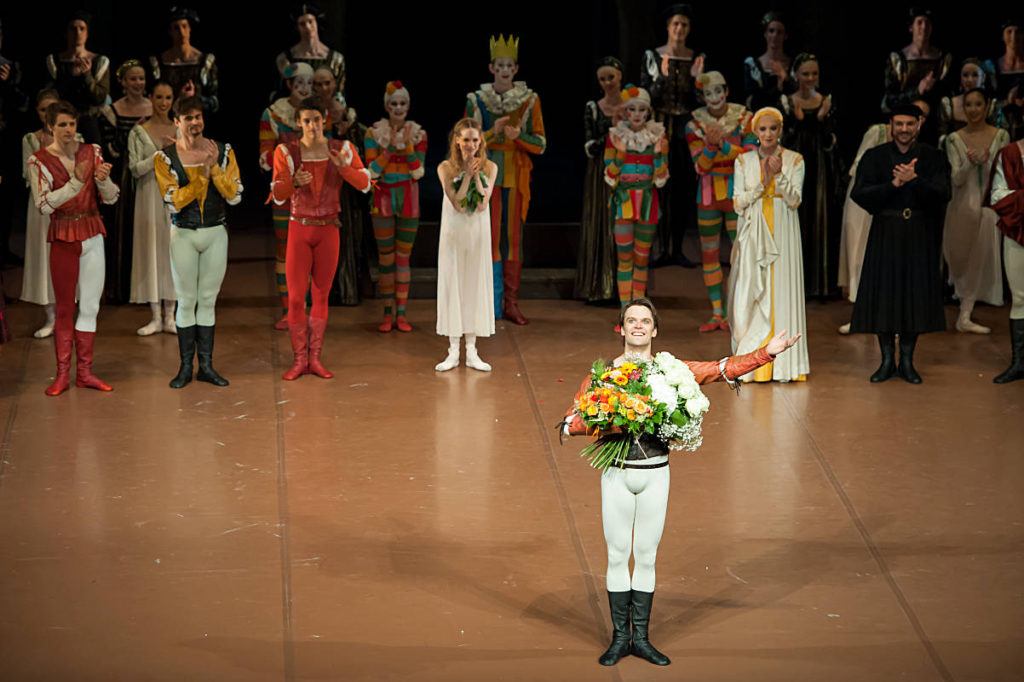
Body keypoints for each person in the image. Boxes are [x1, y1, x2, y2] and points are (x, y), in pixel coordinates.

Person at [561, 297, 800, 667]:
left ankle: (640, 638)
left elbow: (721, 370)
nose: (637, 326)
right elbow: (569, 424)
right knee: (617, 554)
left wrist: (766, 354)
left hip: (656, 475)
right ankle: (619, 638)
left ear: (655, 330)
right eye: (631, 321)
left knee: (646, 556)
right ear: (621, 329)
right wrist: (615, 418)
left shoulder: (671, 370)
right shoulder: (603, 376)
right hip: (617, 476)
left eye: (644, 321)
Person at [270, 95, 370, 379]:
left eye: (316, 120)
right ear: (298, 123)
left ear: (324, 120)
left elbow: (364, 185)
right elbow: (277, 195)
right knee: (296, 299)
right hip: (299, 229)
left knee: (321, 294)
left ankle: (315, 358)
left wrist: (343, 168)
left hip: (328, 229)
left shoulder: (342, 148)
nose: (312, 125)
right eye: (306, 121)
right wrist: (293, 183)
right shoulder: (286, 152)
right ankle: (299, 359)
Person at [849, 104, 950, 383]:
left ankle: (906, 361)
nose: (904, 129)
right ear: (891, 126)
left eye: (909, 124)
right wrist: (892, 185)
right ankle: (885, 362)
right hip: (886, 231)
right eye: (899, 124)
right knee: (884, 295)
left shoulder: (933, 157)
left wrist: (915, 181)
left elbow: (944, 194)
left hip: (919, 233)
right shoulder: (875, 157)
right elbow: (859, 194)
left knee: (913, 295)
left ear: (919, 124)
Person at [27, 100, 119, 395]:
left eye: (72, 124)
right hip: (64, 235)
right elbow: (43, 205)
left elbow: (112, 196)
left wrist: (102, 182)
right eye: (62, 125)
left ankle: (85, 373)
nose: (68, 130)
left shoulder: (91, 152)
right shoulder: (38, 160)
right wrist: (75, 184)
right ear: (50, 127)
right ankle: (62, 374)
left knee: (90, 305)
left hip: (91, 231)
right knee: (66, 308)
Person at [155, 96, 241, 389]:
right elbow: (174, 202)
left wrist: (213, 168)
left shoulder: (223, 151)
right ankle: (184, 368)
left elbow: (234, 195)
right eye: (188, 118)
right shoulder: (165, 157)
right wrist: (202, 179)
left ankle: (206, 366)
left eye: (198, 116)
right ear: (176, 121)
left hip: (215, 232)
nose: (195, 122)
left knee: (207, 300)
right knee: (187, 299)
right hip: (184, 235)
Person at [465, 34, 546, 325]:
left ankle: (510, 303)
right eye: (499, 65)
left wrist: (518, 137)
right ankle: (489, 303)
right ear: (491, 68)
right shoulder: (476, 100)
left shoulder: (529, 99)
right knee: (487, 238)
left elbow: (540, 144)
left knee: (513, 240)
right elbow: (464, 141)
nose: (503, 70)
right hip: (485, 177)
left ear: (515, 69)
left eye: (508, 65)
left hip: (515, 175)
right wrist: (490, 134)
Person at [729, 107, 810, 382]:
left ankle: (785, 364)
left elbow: (795, 199)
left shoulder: (795, 159)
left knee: (782, 289)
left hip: (783, 230)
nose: (768, 134)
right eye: (762, 129)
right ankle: (753, 365)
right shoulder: (743, 161)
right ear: (755, 132)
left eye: (773, 128)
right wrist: (763, 183)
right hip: (754, 232)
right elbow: (737, 202)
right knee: (753, 292)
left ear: (780, 130)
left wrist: (779, 176)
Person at [684, 71, 756, 331]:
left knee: (739, 254)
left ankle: (736, 312)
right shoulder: (694, 125)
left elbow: (749, 156)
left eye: (718, 91)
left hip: (737, 194)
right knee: (710, 253)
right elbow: (700, 166)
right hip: (708, 195)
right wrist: (712, 148)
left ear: (726, 92)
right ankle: (717, 312)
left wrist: (721, 146)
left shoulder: (745, 119)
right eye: (707, 93)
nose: (713, 98)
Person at [641, 4, 704, 269]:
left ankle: (676, 248)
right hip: (661, 125)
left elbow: (701, 101)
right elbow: (646, 97)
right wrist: (662, 77)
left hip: (686, 127)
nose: (679, 29)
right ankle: (659, 249)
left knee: (682, 188)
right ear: (667, 27)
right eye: (675, 24)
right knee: (660, 188)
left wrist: (697, 81)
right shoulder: (653, 56)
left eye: (684, 25)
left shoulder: (696, 58)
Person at [434, 118, 499, 372]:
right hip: (454, 234)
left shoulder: (491, 167)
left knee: (473, 285)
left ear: (480, 141)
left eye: (475, 140)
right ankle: (453, 350)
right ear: (457, 141)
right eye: (466, 140)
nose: (471, 145)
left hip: (477, 234)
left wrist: (478, 177)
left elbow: (482, 204)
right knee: (454, 286)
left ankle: (472, 350)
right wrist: (466, 177)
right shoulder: (445, 168)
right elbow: (458, 203)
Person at [943, 88, 1008, 333]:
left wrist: (988, 160)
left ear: (987, 105)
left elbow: (1004, 176)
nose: (972, 109)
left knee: (982, 259)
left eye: (977, 104)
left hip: (989, 209)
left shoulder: (1001, 136)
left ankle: (966, 314)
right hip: (962, 208)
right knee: (963, 259)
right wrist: (970, 163)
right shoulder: (954, 139)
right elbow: (956, 180)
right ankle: (964, 314)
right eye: (968, 104)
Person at [780, 53, 844, 299]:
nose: (810, 78)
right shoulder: (786, 102)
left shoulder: (826, 102)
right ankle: (797, 285)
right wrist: (796, 122)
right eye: (805, 73)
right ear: (796, 75)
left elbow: (832, 141)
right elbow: (782, 140)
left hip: (819, 169)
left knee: (820, 220)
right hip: (794, 167)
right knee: (798, 219)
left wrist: (821, 119)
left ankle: (820, 285)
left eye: (814, 74)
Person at [365, 81, 427, 332]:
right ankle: (387, 313)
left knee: (403, 258)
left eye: (402, 103)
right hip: (382, 199)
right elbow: (373, 171)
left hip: (409, 200)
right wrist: (390, 148)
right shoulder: (373, 133)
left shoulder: (419, 134)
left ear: (408, 106)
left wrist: (408, 146)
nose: (398, 108)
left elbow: (418, 171)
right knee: (385, 258)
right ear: (386, 106)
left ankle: (401, 313)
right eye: (393, 104)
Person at [604, 85, 668, 312]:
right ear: (625, 111)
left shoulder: (657, 136)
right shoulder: (615, 137)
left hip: (648, 204)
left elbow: (661, 179)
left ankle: (638, 310)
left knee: (641, 259)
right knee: (625, 259)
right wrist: (621, 155)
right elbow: (610, 176)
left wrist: (659, 154)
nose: (637, 114)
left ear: (648, 111)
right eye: (632, 109)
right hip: (624, 203)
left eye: (642, 109)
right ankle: (625, 312)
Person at [261, 62, 315, 329]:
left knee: (309, 252)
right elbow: (264, 157)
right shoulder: (273, 114)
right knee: (286, 251)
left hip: (314, 193)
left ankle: (304, 308)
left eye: (309, 83)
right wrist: (290, 157)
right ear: (289, 84)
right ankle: (289, 310)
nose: (305, 88)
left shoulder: (318, 113)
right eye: (299, 83)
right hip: (285, 191)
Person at [313, 66, 367, 305]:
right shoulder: (311, 114)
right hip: (317, 184)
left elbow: (358, 150)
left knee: (345, 237)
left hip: (342, 187)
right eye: (319, 84)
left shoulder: (345, 112)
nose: (324, 88)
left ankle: (346, 292)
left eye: (328, 83)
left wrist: (348, 133)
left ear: (335, 84)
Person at [99, 60, 151, 305]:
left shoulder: (156, 107)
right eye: (133, 79)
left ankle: (150, 289)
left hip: (152, 176)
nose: (138, 83)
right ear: (122, 82)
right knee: (123, 230)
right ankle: (123, 290)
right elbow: (109, 149)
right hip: (123, 176)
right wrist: (133, 134)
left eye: (141, 78)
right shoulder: (112, 111)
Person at [21, 89, 72, 339]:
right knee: (45, 259)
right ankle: (50, 317)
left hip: (68, 207)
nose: (48, 115)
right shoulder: (31, 140)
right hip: (43, 209)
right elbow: (30, 177)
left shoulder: (74, 137)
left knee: (68, 260)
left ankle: (67, 317)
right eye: (44, 110)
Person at [128, 80, 177, 335]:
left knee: (172, 252)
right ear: (151, 98)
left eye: (168, 97)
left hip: (173, 197)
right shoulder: (138, 132)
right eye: (159, 97)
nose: (164, 102)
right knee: (151, 251)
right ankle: (155, 315)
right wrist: (161, 154)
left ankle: (171, 316)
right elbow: (135, 169)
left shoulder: (180, 129)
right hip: (148, 196)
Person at [575, 57, 623, 304]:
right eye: (602, 79)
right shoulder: (593, 107)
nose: (607, 83)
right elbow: (588, 147)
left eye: (611, 77)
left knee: (624, 224)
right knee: (601, 222)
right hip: (600, 171)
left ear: (620, 76)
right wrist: (611, 132)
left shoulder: (634, 105)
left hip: (627, 171)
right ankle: (598, 286)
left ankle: (625, 288)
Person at [985, 137, 1024, 382]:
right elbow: (997, 196)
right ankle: (1020, 362)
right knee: (1020, 296)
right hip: (1017, 230)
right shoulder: (1009, 154)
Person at [883, 8, 951, 145]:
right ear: (911, 28)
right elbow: (889, 100)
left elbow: (947, 96)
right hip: (904, 121)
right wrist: (918, 91)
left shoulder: (942, 59)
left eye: (927, 23)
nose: (924, 27)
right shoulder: (899, 60)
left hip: (934, 124)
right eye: (919, 23)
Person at [45, 12, 109, 143]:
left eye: (82, 29)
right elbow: (51, 95)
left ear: (87, 33)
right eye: (73, 29)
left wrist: (87, 75)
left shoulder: (99, 61)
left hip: (89, 123)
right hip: (61, 123)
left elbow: (99, 97)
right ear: (66, 32)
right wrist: (70, 76)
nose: (78, 33)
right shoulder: (55, 61)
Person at [149, 8, 218, 114]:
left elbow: (214, 102)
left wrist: (194, 98)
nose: (181, 32)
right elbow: (151, 100)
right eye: (176, 28)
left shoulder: (204, 61)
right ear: (170, 32)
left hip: (197, 120)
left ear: (190, 29)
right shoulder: (159, 63)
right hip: (167, 121)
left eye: (184, 26)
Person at [274, 4, 346, 101]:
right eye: (302, 24)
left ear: (316, 23)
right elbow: (283, 89)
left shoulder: (335, 59)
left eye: (310, 22)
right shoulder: (286, 58)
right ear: (297, 27)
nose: (307, 27)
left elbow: (339, 94)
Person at [743, 11, 793, 112]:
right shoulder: (753, 65)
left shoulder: (793, 64)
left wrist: (786, 78)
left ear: (785, 36)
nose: (775, 36)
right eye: (771, 31)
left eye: (779, 32)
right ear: (765, 34)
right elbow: (749, 98)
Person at [983, 19, 1024, 141]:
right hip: (1000, 127)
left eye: (1018, 32)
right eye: (1009, 32)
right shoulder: (991, 67)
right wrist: (1007, 101)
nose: (1014, 36)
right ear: (1003, 36)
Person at [938, 59, 994, 139]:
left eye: (975, 75)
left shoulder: (991, 104)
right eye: (965, 75)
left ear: (983, 78)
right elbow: (942, 135)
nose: (969, 80)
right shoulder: (949, 104)